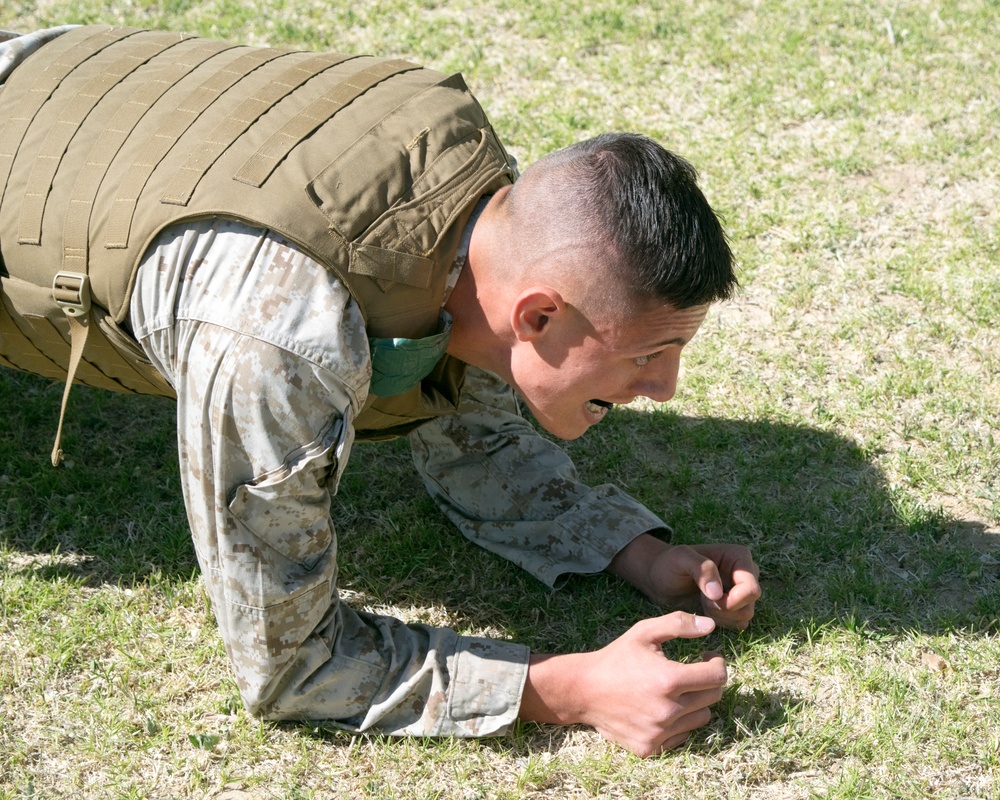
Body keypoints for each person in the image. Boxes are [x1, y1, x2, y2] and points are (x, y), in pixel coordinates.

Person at [0, 25, 760, 757]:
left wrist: (630, 551)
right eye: (649, 357)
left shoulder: (483, 208)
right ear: (538, 313)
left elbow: (473, 421)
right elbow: (293, 666)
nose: (665, 389)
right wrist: (558, 688)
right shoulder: (281, 335)